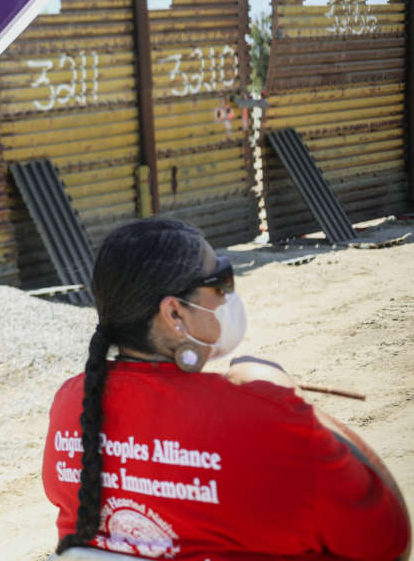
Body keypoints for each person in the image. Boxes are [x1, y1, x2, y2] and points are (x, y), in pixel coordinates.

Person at [43, 217, 410, 560]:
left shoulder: (70, 401)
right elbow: (387, 538)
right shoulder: (261, 413)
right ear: (174, 314)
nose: (228, 296)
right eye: (221, 281)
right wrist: (292, 402)